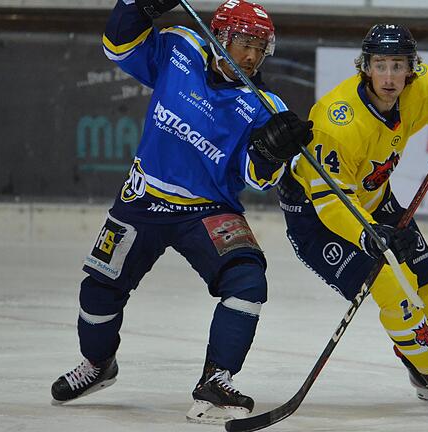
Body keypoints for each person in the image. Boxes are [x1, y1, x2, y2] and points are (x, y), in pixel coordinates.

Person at [50, 0, 311, 425]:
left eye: (260, 48)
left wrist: (269, 151)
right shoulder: (179, 47)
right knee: (98, 290)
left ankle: (217, 378)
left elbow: (257, 176)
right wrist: (137, 6)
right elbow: (117, 47)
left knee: (247, 280)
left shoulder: (266, 106)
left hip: (208, 210)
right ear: (221, 37)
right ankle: (98, 364)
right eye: (245, 43)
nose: (251, 56)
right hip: (144, 199)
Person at [276, 24, 428, 417]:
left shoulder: (424, 87)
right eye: (380, 65)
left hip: (374, 200)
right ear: (365, 67)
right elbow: (332, 202)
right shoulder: (338, 120)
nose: (388, 76)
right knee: (393, 289)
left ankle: (419, 368)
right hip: (317, 215)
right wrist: (371, 237)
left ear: (411, 69)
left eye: (397, 65)